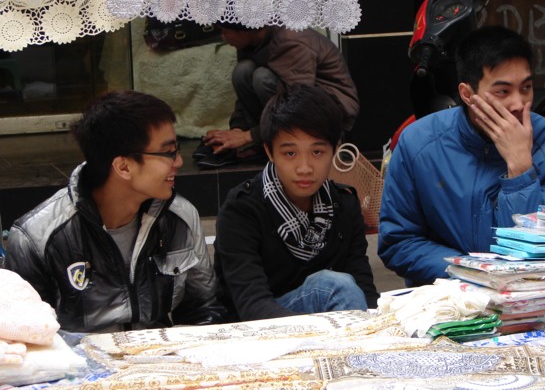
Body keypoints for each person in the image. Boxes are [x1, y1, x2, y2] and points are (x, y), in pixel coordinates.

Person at [378, 26, 545, 286]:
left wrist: (520, 169)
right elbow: (398, 242)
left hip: (529, 297)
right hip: (445, 298)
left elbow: (540, 254)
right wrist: (472, 273)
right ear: (467, 94)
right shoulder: (418, 144)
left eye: (526, 88)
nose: (518, 104)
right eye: (503, 91)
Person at [5, 90, 224, 333]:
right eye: (169, 152)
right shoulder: (37, 237)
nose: (179, 162)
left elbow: (203, 308)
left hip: (160, 352)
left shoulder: (179, 217)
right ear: (123, 167)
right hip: (77, 356)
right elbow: (26, 334)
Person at [212, 85, 378, 322]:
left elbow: (365, 291)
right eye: (290, 153)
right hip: (253, 329)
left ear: (334, 150)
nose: (304, 168)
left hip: (327, 327)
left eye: (317, 152)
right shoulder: (242, 210)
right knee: (332, 287)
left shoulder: (344, 205)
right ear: (270, 152)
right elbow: (252, 304)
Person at [194, 24, 359, 168]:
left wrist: (249, 136)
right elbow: (244, 97)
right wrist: (237, 129)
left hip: (329, 110)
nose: (223, 37)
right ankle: (266, 142)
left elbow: (301, 104)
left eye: (226, 32)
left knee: (262, 78)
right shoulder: (249, 43)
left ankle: (272, 139)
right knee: (243, 71)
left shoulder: (290, 40)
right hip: (293, 102)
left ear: (244, 30)